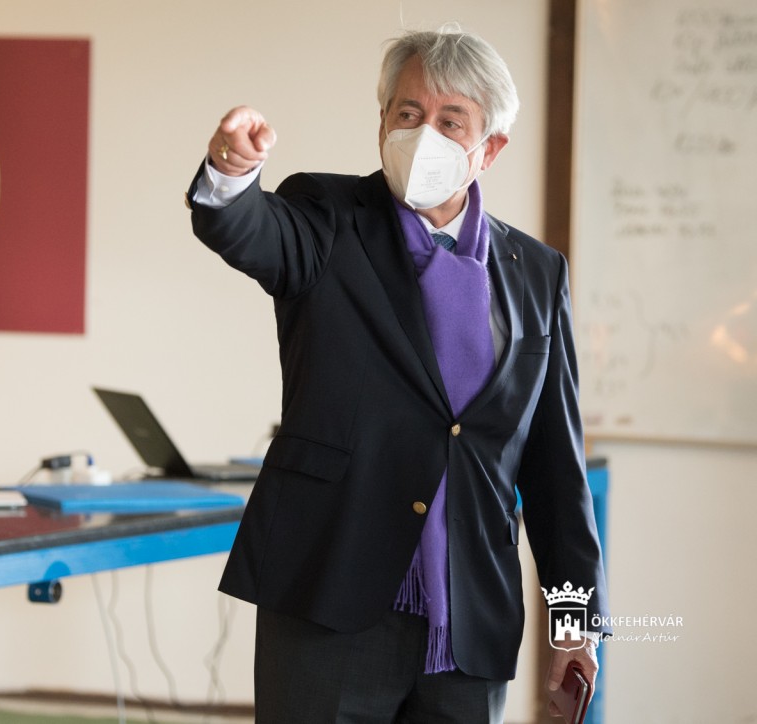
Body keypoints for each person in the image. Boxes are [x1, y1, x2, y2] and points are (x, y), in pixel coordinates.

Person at [186, 26, 610, 724]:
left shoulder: (536, 273)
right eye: (408, 113)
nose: (423, 135)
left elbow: (555, 472)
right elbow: (251, 230)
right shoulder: (326, 217)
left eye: (451, 121)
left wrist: (574, 623)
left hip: (469, 621)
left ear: (490, 148)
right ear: (382, 121)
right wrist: (232, 174)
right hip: (330, 598)